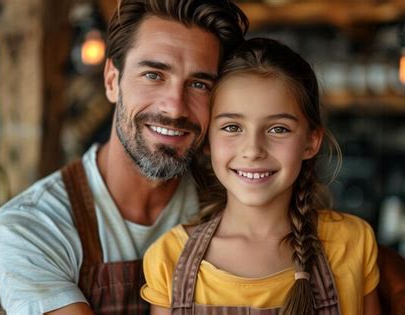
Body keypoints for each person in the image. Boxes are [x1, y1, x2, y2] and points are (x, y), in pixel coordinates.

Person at [0, 1, 248, 314]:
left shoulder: (236, 208)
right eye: (154, 75)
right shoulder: (33, 227)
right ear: (112, 80)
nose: (175, 107)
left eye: (198, 84)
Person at [141, 38, 382, 315]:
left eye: (278, 129)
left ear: (311, 141)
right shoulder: (168, 259)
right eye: (232, 127)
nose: (253, 150)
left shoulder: (352, 243)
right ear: (207, 140)